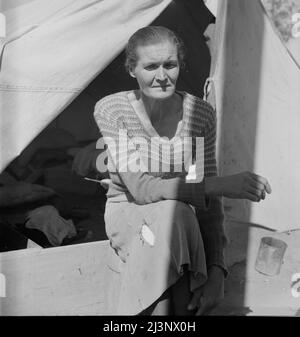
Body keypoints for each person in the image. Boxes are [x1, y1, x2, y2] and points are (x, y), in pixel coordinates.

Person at [93, 26, 272, 315]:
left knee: (177, 213)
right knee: (171, 213)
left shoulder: (199, 115)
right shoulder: (113, 111)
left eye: (170, 65)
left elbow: (207, 202)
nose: (162, 76)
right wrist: (221, 184)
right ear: (132, 70)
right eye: (150, 66)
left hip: (181, 220)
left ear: (179, 65)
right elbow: (141, 188)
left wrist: (217, 269)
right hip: (128, 211)